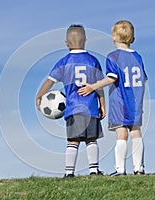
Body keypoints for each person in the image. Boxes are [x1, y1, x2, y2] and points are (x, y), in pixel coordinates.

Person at [78, 20, 148, 176]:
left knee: (121, 133)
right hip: (136, 101)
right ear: (133, 39)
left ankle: (120, 169)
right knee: (136, 132)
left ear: (113, 38)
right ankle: (139, 168)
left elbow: (111, 78)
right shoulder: (138, 57)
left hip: (121, 102)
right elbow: (143, 79)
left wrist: (93, 86)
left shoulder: (113, 56)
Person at [36, 24, 106, 177]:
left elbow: (50, 81)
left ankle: (69, 173)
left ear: (66, 42)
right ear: (85, 41)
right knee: (91, 139)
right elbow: (99, 85)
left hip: (73, 108)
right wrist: (102, 102)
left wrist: (39, 95)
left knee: (73, 141)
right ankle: (94, 170)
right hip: (91, 107)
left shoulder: (64, 62)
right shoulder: (93, 60)